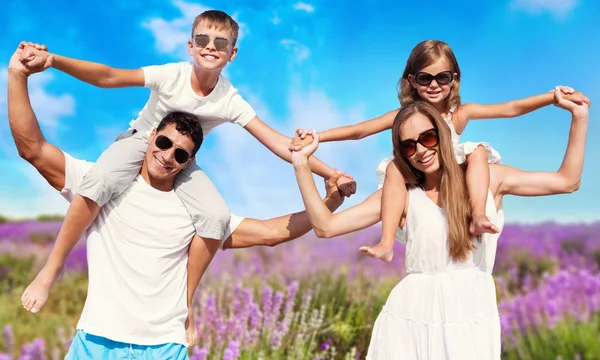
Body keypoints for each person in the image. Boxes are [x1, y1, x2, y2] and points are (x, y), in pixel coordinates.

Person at [8, 44, 344, 359]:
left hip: (164, 347)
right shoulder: (100, 183)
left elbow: (271, 233)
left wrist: (327, 204)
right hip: (96, 341)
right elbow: (33, 149)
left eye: (180, 153)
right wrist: (17, 76)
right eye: (165, 142)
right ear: (150, 136)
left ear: (189, 162)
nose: (168, 156)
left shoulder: (198, 211)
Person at [289, 91, 588, 359]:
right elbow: (325, 227)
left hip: (472, 317)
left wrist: (579, 117)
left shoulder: (487, 179)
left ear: (443, 134)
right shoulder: (400, 195)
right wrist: (302, 164)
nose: (420, 150)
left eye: (428, 138)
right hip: (411, 322)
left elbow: (567, 181)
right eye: (408, 146)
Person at [295, 39, 589, 262]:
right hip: (414, 177)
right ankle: (386, 242)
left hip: (456, 168)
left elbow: (510, 108)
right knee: (397, 169)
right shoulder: (402, 117)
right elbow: (360, 130)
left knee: (476, 154)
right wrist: (319, 137)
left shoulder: (460, 113)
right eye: (425, 78)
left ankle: (476, 214)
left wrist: (552, 98)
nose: (434, 85)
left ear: (454, 79)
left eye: (442, 78)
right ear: (412, 80)